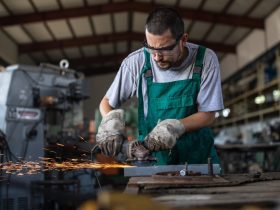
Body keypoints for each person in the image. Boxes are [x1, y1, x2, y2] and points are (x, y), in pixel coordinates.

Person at [96, 7, 224, 165]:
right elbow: (106, 103)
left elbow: (208, 114)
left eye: (165, 49)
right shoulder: (136, 63)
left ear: (183, 40)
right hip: (153, 159)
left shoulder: (205, 60)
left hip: (197, 156)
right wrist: (111, 124)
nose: (156, 57)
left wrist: (176, 127)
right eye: (150, 47)